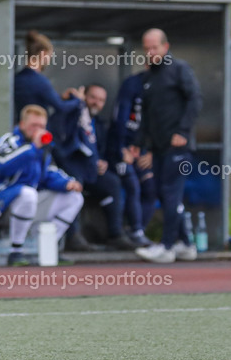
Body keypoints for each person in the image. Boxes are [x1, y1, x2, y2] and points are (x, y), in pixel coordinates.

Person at [12, 31, 95, 251]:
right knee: (65, 183)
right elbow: (60, 107)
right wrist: (78, 101)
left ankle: (36, 242)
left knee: (32, 186)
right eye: (48, 56)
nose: (49, 60)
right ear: (42, 54)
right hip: (39, 144)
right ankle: (67, 239)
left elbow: (51, 101)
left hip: (21, 142)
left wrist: (62, 98)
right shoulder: (39, 80)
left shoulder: (18, 79)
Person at [0, 104, 84, 266]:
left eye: (41, 126)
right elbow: (1, 165)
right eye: (34, 125)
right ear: (22, 124)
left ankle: (48, 248)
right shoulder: (9, 141)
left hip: (27, 204)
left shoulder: (42, 150)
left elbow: (48, 174)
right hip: (0, 205)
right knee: (28, 194)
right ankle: (15, 251)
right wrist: (32, 148)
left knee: (75, 197)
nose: (38, 130)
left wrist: (67, 183)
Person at [132, 28, 203, 263]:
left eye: (154, 47)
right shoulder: (149, 77)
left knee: (171, 192)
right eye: (147, 48)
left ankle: (167, 246)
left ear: (165, 46)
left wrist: (183, 132)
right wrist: (140, 143)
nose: (150, 52)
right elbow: (147, 115)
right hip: (159, 147)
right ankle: (186, 245)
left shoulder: (179, 69)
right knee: (164, 194)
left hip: (178, 146)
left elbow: (195, 99)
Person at [55, 84, 139, 250]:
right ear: (84, 96)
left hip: (91, 171)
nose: (96, 103)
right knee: (74, 181)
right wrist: (72, 102)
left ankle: (115, 234)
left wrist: (102, 162)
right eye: (93, 97)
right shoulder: (71, 114)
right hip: (71, 168)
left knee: (113, 183)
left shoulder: (99, 124)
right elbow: (62, 143)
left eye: (101, 100)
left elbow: (100, 151)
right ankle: (73, 237)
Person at [105, 72, 156, 245]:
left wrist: (151, 152)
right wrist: (121, 149)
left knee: (150, 186)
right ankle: (134, 231)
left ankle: (135, 231)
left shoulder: (165, 86)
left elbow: (161, 123)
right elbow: (119, 117)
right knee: (132, 184)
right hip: (120, 147)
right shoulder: (133, 84)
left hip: (142, 149)